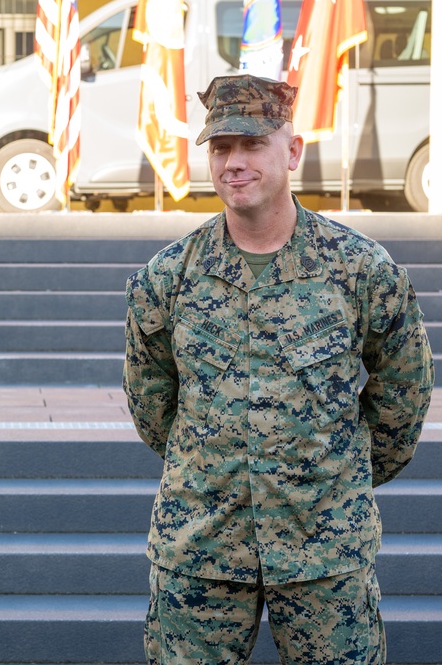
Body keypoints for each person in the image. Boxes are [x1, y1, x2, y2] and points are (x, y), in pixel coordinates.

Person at [123, 74, 434, 664]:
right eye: (220, 148)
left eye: (251, 144)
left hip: (325, 551)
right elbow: (151, 404)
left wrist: (336, 476)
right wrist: (214, 469)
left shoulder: (360, 270)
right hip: (201, 545)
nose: (233, 163)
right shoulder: (168, 278)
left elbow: (404, 392)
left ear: (292, 151)